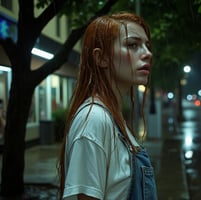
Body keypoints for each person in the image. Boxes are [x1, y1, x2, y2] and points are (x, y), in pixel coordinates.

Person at [58, 12, 158, 200]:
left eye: (147, 46)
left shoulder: (113, 117)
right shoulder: (94, 120)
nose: (147, 54)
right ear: (101, 57)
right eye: (132, 45)